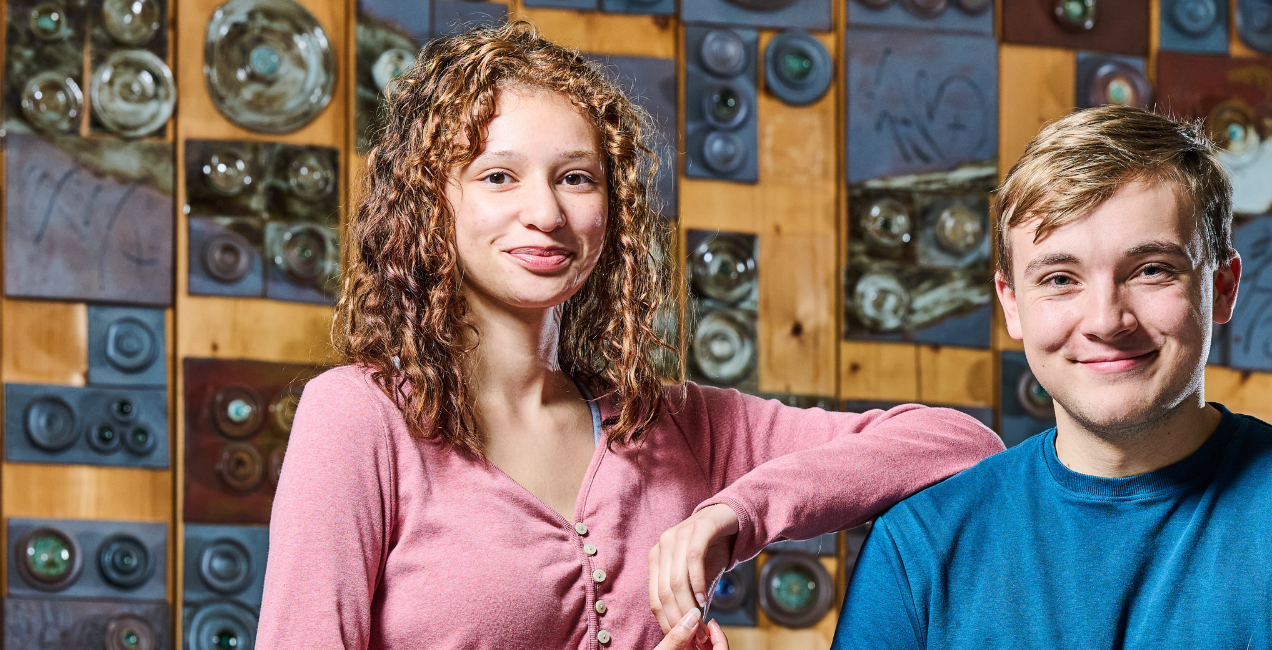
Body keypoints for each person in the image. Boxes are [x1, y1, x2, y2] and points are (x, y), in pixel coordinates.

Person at [255, 22, 1004, 650]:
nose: (545, 213)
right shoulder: (359, 419)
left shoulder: (672, 423)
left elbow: (958, 446)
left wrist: (735, 514)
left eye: (576, 178)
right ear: (430, 205)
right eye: (498, 177)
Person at [830, 106, 1272, 648]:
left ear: (1222, 286)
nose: (1106, 321)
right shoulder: (920, 545)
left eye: (1151, 270)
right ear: (1012, 304)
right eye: (1059, 279)